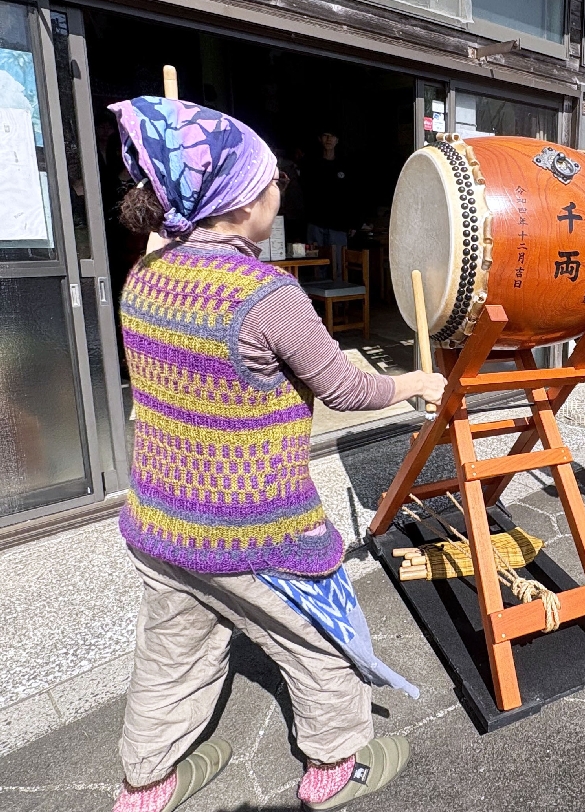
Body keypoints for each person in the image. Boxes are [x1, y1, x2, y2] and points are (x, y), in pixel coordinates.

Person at [107, 96, 446, 812]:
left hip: (161, 523)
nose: (278, 192)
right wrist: (417, 381)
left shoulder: (142, 278)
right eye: (270, 184)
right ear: (242, 203)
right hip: (255, 531)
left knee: (171, 657)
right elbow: (348, 387)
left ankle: (144, 785)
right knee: (322, 639)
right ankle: (333, 770)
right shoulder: (269, 294)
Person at [305, 129, 357, 278]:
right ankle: (317, 301)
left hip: (338, 223)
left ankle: (338, 301)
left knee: (338, 265)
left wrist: (353, 222)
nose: (328, 139)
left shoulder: (345, 165)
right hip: (316, 222)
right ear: (320, 139)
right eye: (325, 136)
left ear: (337, 140)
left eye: (332, 136)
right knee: (316, 265)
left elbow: (352, 195)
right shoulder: (311, 164)